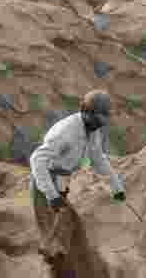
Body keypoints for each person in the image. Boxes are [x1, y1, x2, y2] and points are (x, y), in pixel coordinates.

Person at [29, 89, 126, 261]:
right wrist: (51, 196)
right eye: (100, 117)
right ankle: (47, 273)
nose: (103, 122)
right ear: (87, 112)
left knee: (68, 229)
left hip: (62, 180)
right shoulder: (66, 132)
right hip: (46, 183)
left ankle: (61, 265)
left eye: (105, 117)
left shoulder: (92, 130)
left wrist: (116, 187)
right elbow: (37, 160)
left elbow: (98, 159)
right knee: (53, 238)